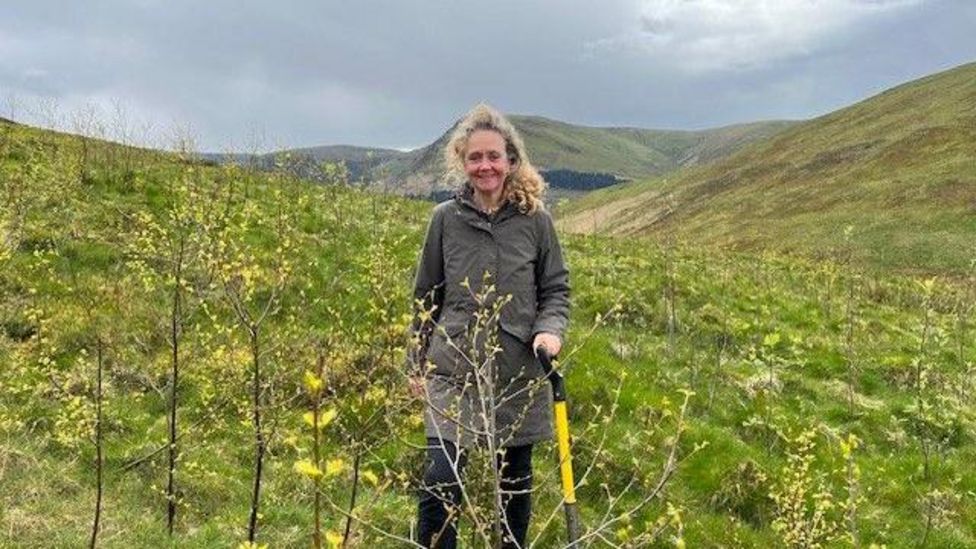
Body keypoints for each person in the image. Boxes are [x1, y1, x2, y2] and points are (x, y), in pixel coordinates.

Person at [407, 103, 570, 548]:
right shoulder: (444, 219)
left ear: (511, 161)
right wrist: (414, 363)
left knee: (513, 483)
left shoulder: (537, 222)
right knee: (441, 481)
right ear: (462, 161)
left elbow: (556, 289)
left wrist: (550, 329)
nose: (485, 166)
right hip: (451, 370)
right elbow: (426, 297)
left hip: (517, 372)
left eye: (493, 157)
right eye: (475, 157)